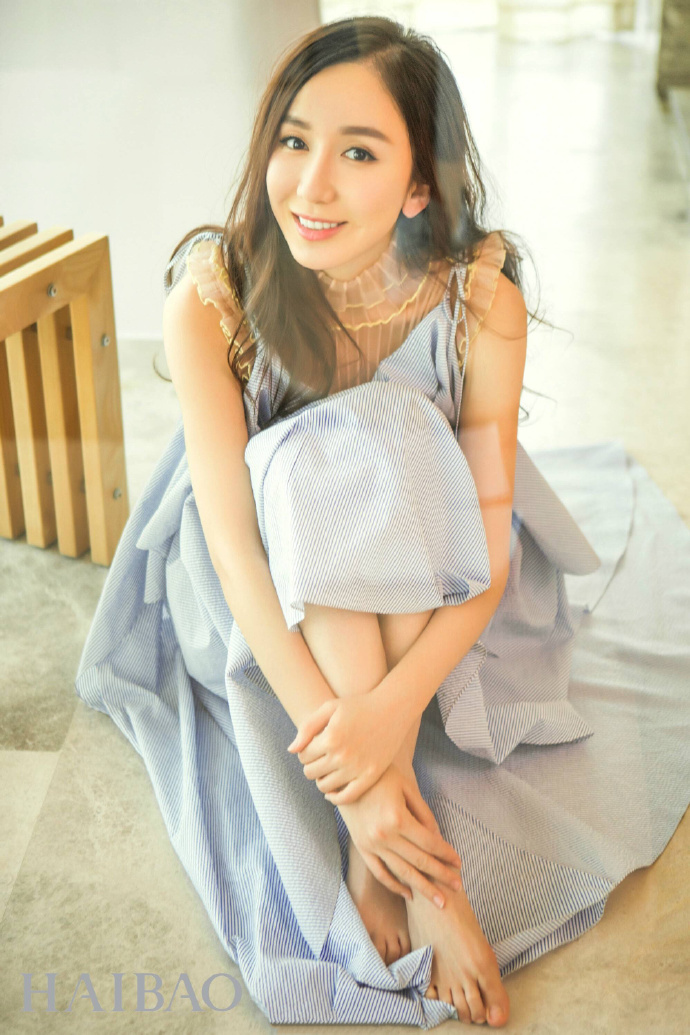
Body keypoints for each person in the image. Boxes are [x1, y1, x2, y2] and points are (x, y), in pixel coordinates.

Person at [75, 15, 690, 1030]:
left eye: (358, 153)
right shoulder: (214, 296)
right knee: (316, 456)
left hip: (432, 566)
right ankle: (407, 856)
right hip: (262, 583)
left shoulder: (476, 293)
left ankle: (385, 849)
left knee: (389, 426)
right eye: (293, 140)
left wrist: (392, 709)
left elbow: (487, 545)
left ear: (417, 187)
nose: (310, 185)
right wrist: (358, 779)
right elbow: (233, 549)